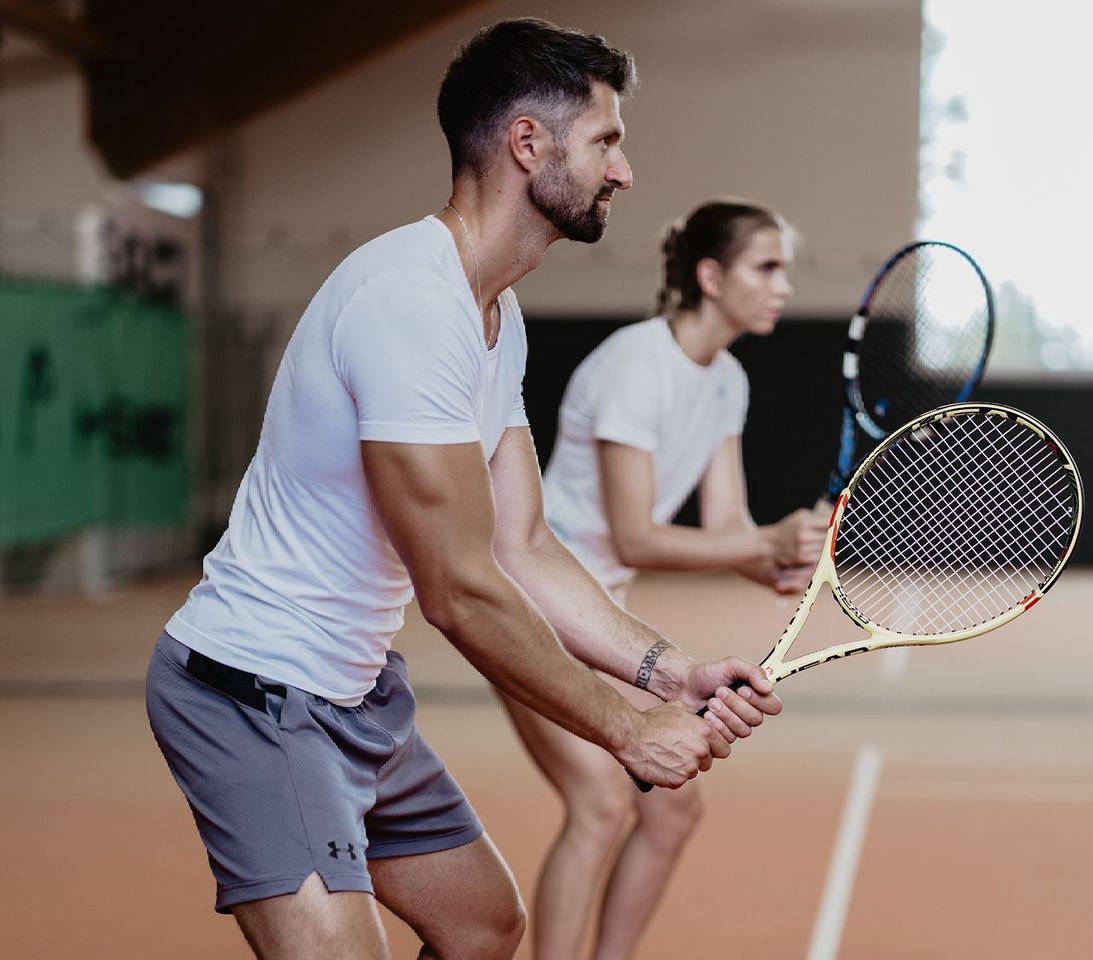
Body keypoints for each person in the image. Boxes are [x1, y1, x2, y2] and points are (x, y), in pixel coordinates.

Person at [145, 20, 781, 960]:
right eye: (607, 140)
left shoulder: (494, 315)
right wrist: (625, 730)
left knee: (484, 928)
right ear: (529, 144)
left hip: (354, 696)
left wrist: (668, 671)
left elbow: (525, 547)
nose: (626, 171)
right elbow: (459, 587)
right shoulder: (409, 303)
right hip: (254, 694)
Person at [497, 199, 829, 960]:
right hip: (536, 605)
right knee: (601, 801)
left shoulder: (726, 381)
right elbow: (636, 535)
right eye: (766, 267)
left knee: (673, 811)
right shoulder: (634, 365)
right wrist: (760, 543)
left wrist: (773, 559)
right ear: (711, 276)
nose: (783, 286)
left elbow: (723, 530)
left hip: (602, 613)